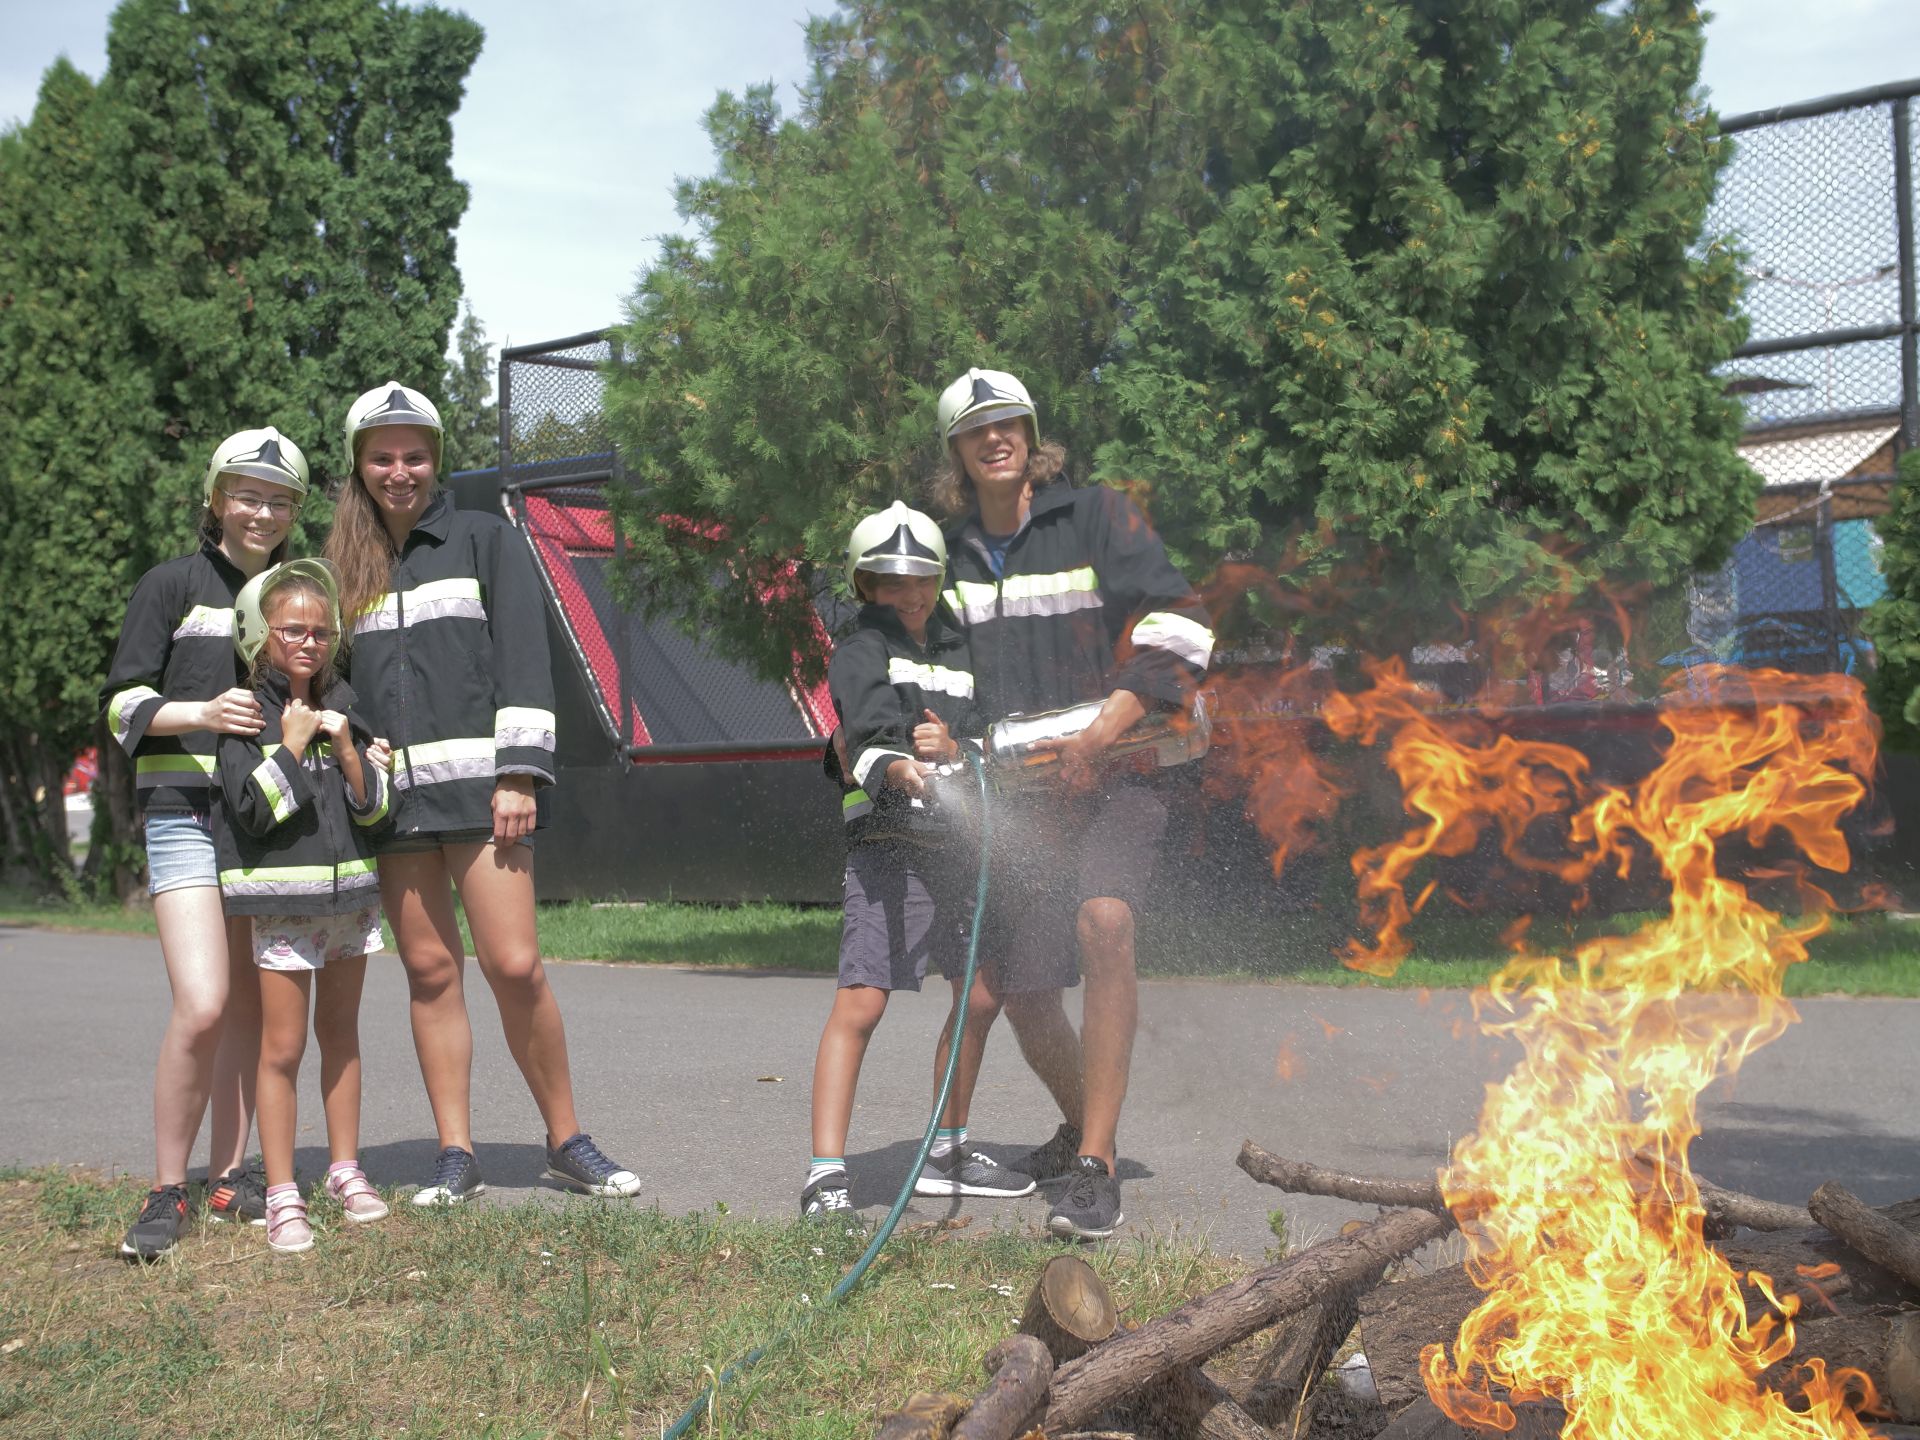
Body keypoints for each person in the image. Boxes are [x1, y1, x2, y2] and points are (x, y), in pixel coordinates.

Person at [323, 381, 639, 1204]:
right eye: (383, 456)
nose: (401, 470)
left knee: (516, 964)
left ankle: (568, 1139)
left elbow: (525, 659)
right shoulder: (337, 568)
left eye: (415, 454)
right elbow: (332, 681)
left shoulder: (484, 538)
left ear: (436, 459)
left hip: (483, 794)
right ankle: (455, 1153)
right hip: (392, 807)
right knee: (429, 972)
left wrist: (517, 773)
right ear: (359, 464)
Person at [929, 367, 1214, 1239]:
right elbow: (919, 663)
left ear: (1031, 433)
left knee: (1104, 923)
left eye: (1008, 421)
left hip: (1120, 772)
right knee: (1024, 989)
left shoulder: (1094, 516)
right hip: (1022, 794)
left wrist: (1104, 734)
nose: (995, 437)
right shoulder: (946, 552)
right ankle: (1077, 1126)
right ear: (958, 454)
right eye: (977, 430)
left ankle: (1095, 1165)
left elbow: (1181, 623)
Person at [101, 427, 310, 1258]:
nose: (262, 511)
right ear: (217, 498)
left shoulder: (298, 595)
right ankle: (166, 1188)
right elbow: (121, 707)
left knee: (250, 1014)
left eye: (280, 499)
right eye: (248, 494)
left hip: (264, 823)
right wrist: (201, 712)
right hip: (184, 811)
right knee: (203, 1005)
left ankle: (233, 1175)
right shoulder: (171, 584)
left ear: (295, 512)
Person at [804, 503, 1033, 1223]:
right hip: (888, 851)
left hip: (958, 852)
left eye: (922, 579)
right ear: (865, 583)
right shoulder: (859, 648)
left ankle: (946, 1149)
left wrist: (959, 753)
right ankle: (825, 1172)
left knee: (981, 994)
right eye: (891, 581)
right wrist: (899, 767)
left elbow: (984, 730)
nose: (910, 594)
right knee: (863, 1000)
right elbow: (862, 729)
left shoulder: (961, 648)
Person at [216, 559, 393, 1252]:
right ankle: (284, 1190)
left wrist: (348, 749)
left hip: (349, 901)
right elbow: (251, 814)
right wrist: (289, 746)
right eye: (293, 630)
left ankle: (346, 1169)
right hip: (284, 906)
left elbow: (379, 813)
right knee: (282, 1048)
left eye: (320, 632)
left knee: (341, 1036)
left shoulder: (348, 705)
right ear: (263, 635)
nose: (309, 644)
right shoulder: (243, 715)